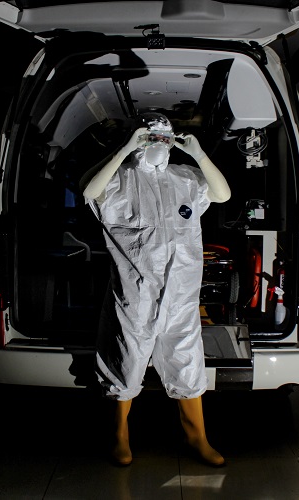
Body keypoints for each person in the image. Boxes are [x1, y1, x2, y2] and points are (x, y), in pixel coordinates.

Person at [83, 112, 231, 466]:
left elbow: (222, 195)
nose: (159, 144)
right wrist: (124, 151)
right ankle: (119, 435)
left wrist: (199, 154)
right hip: (136, 294)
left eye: (165, 138)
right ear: (137, 138)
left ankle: (197, 437)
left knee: (187, 360)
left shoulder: (185, 178)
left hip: (181, 295)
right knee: (127, 359)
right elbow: (89, 191)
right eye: (151, 137)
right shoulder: (120, 179)